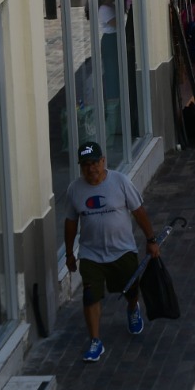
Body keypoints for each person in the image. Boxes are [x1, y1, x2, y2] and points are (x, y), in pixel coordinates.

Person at [64, 142, 161, 363]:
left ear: (103, 161)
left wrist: (151, 240)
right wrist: (69, 253)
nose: (91, 169)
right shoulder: (74, 190)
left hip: (122, 250)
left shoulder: (120, 182)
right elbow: (70, 223)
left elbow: (139, 211)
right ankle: (95, 341)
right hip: (91, 254)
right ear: (81, 167)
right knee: (90, 296)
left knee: (131, 289)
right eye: (85, 165)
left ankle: (132, 308)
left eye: (94, 163)